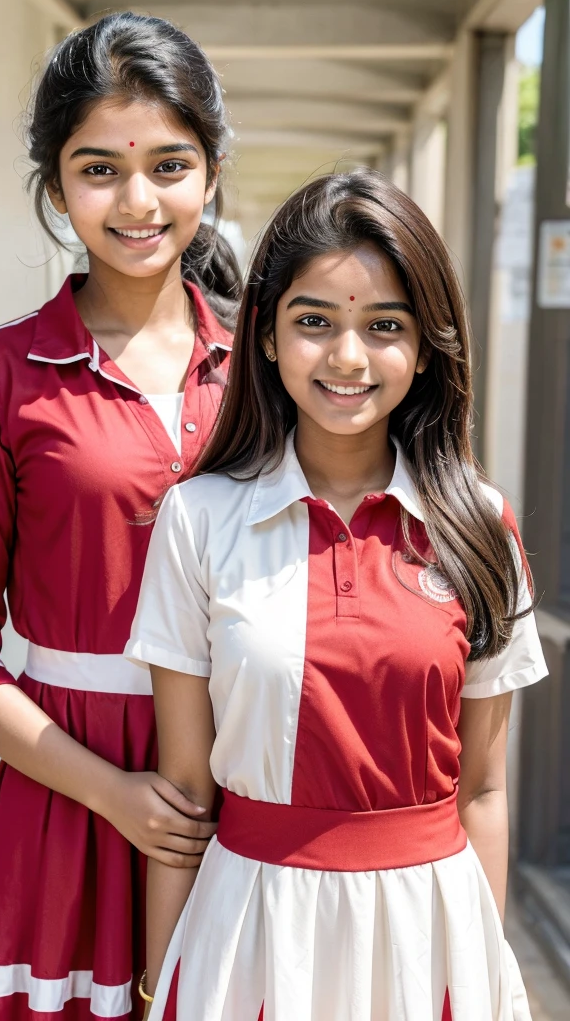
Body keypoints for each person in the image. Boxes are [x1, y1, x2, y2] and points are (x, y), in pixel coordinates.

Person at [126, 169, 547, 1021]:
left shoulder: (482, 527)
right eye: (314, 321)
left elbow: (485, 792)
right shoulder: (197, 520)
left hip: (429, 934)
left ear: (426, 346)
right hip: (247, 933)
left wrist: (482, 965)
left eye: (383, 326)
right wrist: (158, 984)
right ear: (268, 337)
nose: (348, 357)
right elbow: (184, 798)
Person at [0, 12, 240, 1021]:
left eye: (169, 165)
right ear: (56, 187)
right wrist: (110, 791)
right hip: (64, 804)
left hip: (245, 785)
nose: (137, 201)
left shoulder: (269, 365)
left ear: (211, 173)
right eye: (99, 169)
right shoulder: (0, 372)